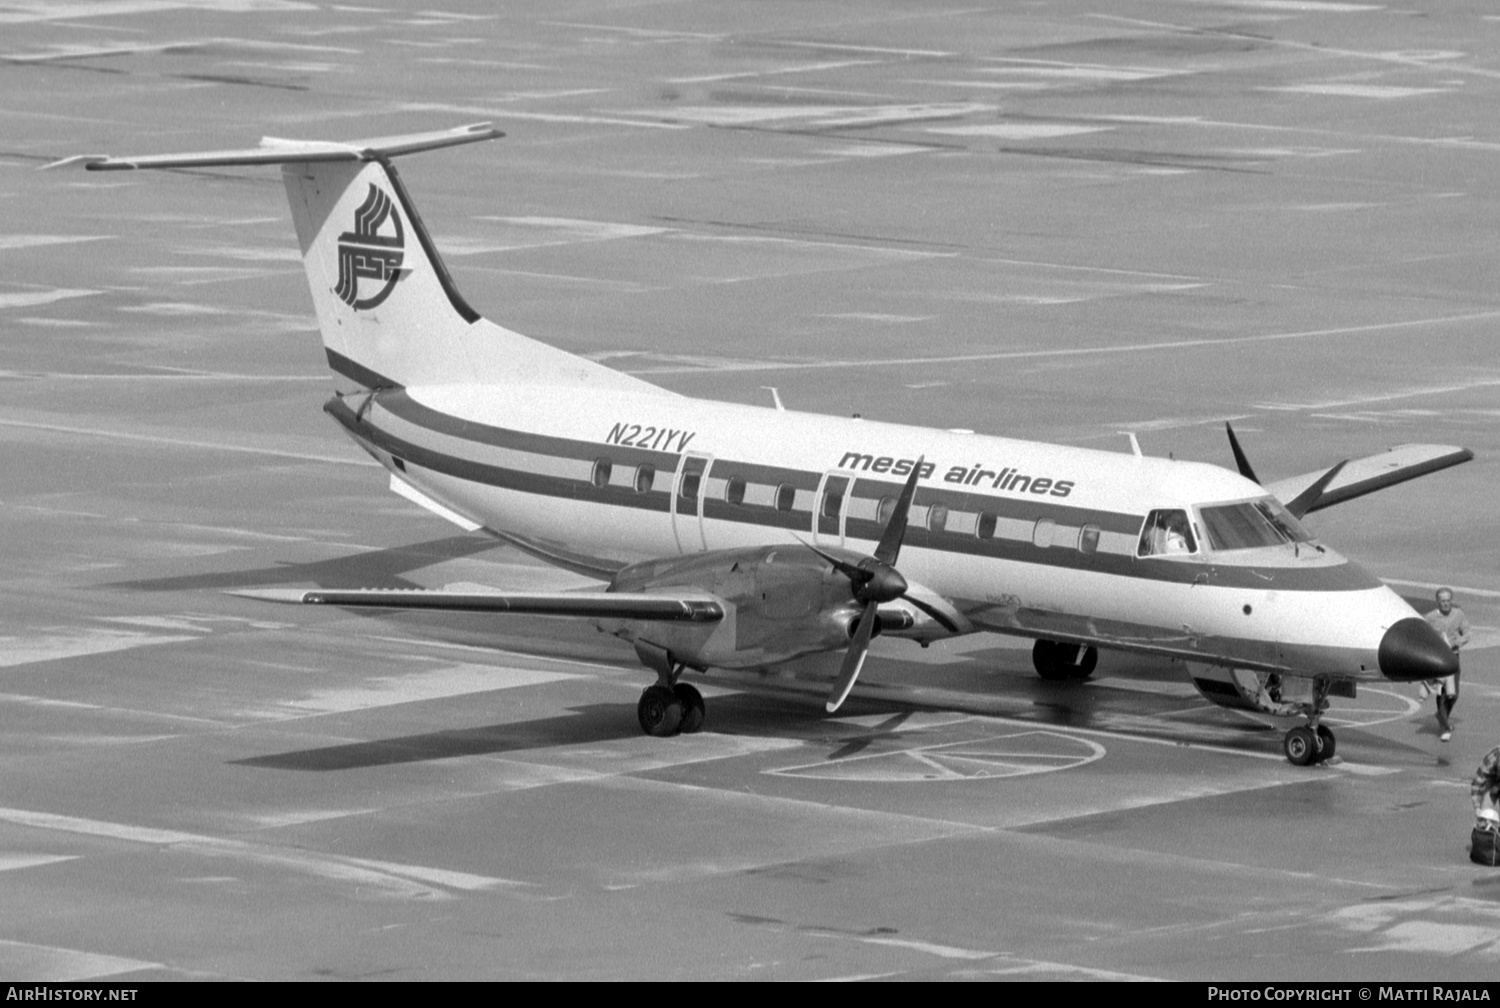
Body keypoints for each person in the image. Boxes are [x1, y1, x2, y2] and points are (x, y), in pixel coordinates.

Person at [1424, 588, 1470, 742]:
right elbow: (1423, 635)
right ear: (1437, 602)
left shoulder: (1458, 614)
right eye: (1442, 600)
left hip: (1453, 657)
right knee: (1441, 693)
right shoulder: (1430, 618)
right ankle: (1444, 726)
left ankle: (1441, 715)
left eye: (1448, 600)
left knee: (1454, 694)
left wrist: (1457, 641)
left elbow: (1467, 633)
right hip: (1438, 659)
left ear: (1451, 601)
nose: (1445, 603)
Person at [1473, 744, 1500, 827]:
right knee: (1484, 817)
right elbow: (1478, 780)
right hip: (1492, 777)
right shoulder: (1494, 755)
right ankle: (1484, 834)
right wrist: (1477, 806)